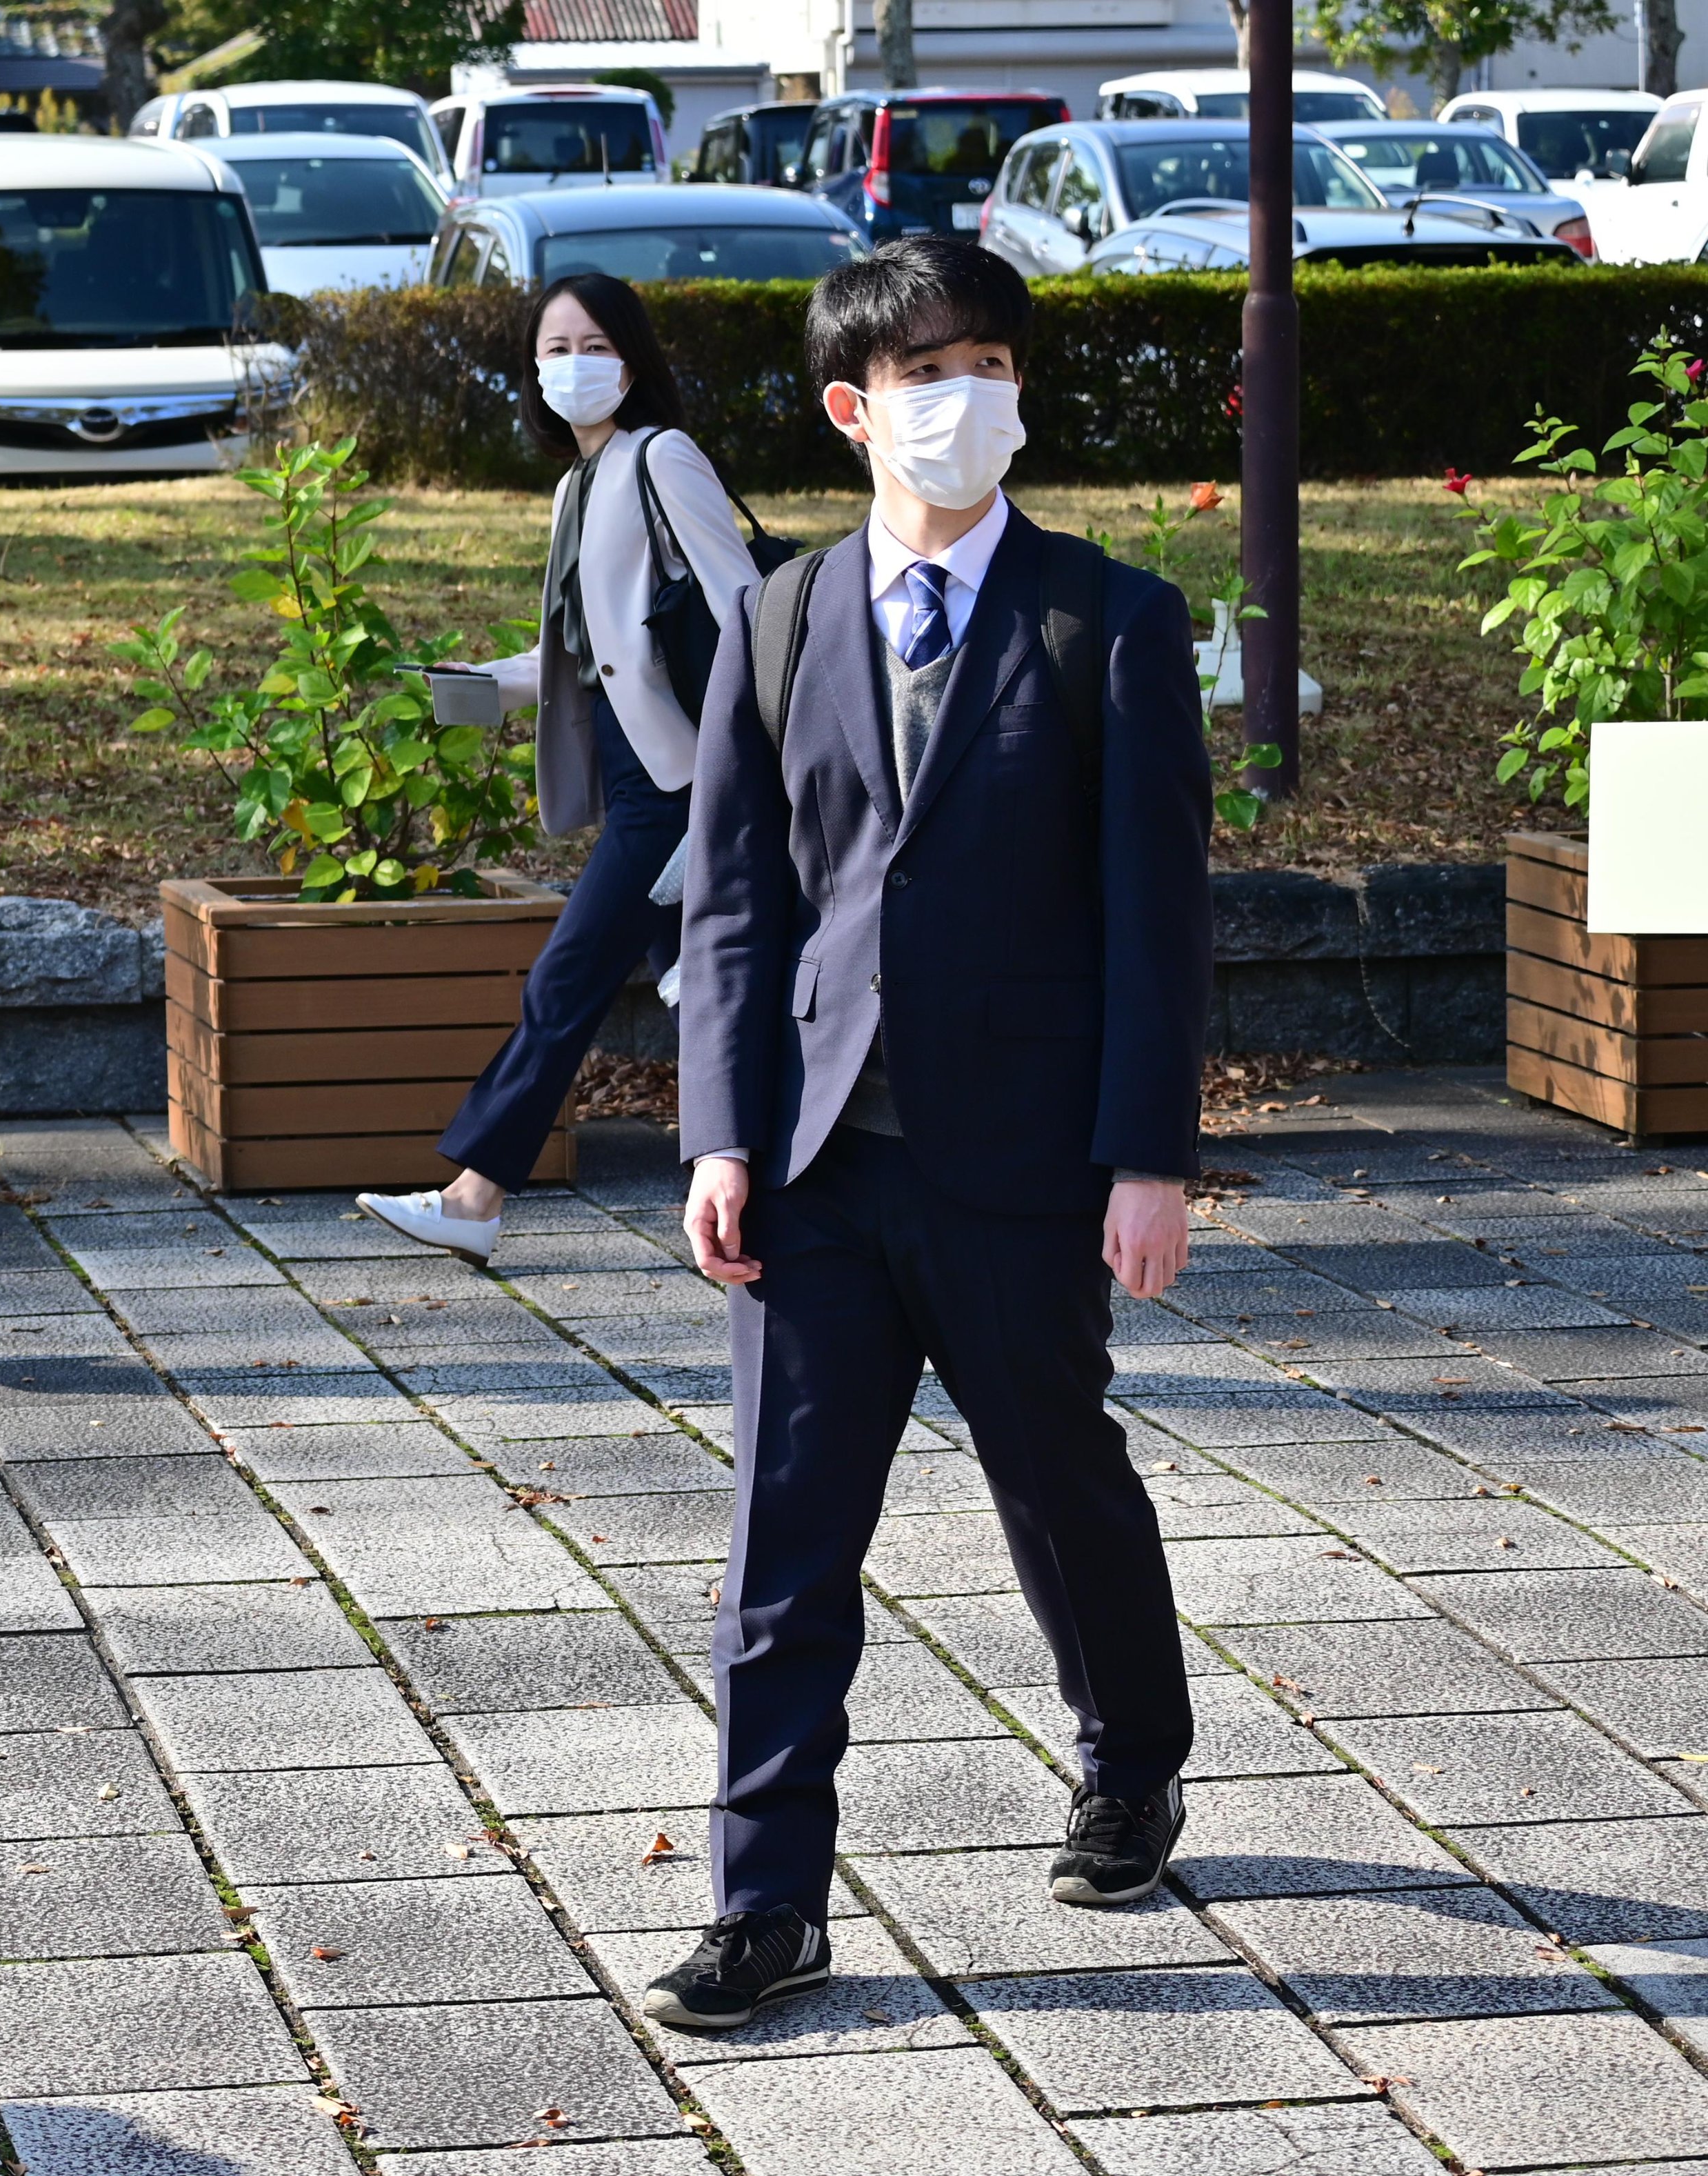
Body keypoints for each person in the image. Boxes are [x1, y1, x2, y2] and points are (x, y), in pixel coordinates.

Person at [645, 236, 1214, 2029]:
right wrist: (720, 1136)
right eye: (923, 373)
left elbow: (1156, 920)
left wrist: (1148, 1159)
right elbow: (734, 904)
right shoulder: (781, 618)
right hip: (815, 1161)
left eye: (989, 364)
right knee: (785, 1537)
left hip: (1024, 1160)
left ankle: (1130, 1761)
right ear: (852, 406)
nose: (963, 397)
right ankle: (765, 1902)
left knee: (1055, 1481)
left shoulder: (1107, 620)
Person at [354, 272, 765, 1266]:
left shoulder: (662, 457)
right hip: (634, 774)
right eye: (555, 350)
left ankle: (474, 1198)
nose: (574, 366)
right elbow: (577, 657)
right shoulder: (576, 487)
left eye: (594, 347)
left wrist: (741, 773)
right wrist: (470, 686)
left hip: (679, 783)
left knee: (568, 980)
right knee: (703, 992)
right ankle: (780, 1189)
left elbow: (747, 611)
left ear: (632, 360)